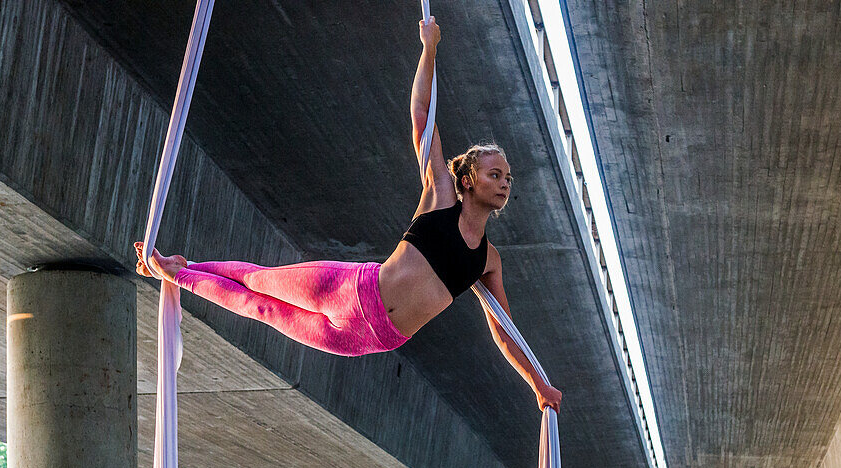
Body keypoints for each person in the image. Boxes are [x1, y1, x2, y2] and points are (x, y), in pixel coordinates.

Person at [137, 16, 561, 412]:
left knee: (262, 311)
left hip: (363, 341)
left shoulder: (488, 261)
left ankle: (181, 270)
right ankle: (181, 269)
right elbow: (421, 117)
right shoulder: (441, 195)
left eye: (508, 177)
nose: (506, 182)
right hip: (349, 290)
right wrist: (429, 49)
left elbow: (504, 332)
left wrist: (537, 384)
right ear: (468, 180)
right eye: (495, 174)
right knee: (258, 287)